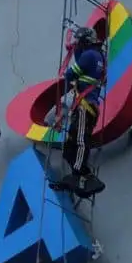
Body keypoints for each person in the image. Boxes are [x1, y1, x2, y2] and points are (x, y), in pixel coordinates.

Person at [48, 25, 106, 196]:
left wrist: (74, 50)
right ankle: (86, 178)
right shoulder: (99, 57)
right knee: (70, 147)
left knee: (80, 140)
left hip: (84, 107)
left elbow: (69, 74)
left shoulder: (89, 55)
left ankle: (76, 175)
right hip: (88, 107)